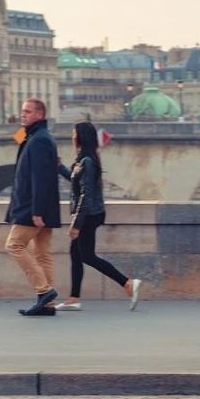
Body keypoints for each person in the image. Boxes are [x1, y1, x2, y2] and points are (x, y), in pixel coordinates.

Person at [54, 122, 142, 311]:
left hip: (89, 215)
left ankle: (127, 283)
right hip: (89, 213)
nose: (72, 137)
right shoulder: (85, 159)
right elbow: (76, 181)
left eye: (74, 133)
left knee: (87, 256)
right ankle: (73, 298)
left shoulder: (87, 161)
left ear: (80, 137)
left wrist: (76, 224)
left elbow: (86, 194)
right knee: (76, 254)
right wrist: (60, 167)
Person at [5, 98, 62, 317]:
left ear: (40, 114)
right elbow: (17, 140)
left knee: (14, 245)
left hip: (32, 207)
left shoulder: (38, 140)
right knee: (43, 254)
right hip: (42, 206)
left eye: (28, 112)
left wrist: (37, 211)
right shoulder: (37, 136)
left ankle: (44, 290)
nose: (23, 115)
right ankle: (47, 305)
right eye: (22, 111)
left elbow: (40, 178)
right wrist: (23, 130)